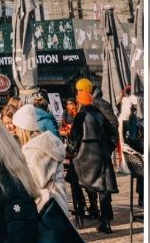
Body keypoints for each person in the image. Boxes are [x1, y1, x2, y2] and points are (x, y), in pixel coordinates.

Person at [11, 104, 71, 220]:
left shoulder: (35, 149)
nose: (15, 131)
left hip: (46, 205)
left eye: (16, 127)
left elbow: (35, 181)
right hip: (56, 202)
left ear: (23, 128)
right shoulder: (44, 143)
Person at [71, 89, 117, 233]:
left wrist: (72, 151)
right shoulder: (99, 114)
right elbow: (112, 134)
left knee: (73, 177)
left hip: (86, 160)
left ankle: (85, 209)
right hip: (102, 156)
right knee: (103, 188)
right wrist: (107, 150)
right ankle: (106, 220)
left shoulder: (81, 116)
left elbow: (73, 140)